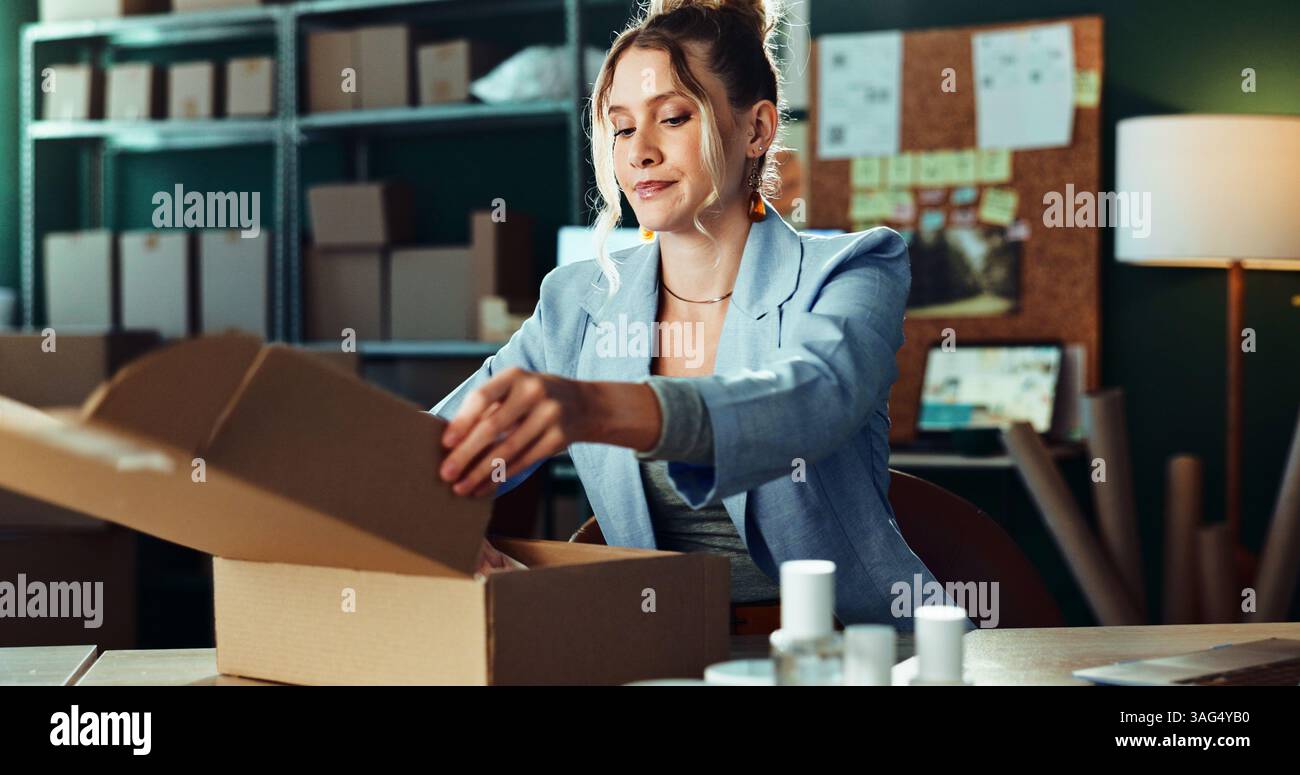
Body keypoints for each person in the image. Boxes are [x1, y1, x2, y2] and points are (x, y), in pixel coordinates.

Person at [431, 0, 943, 629]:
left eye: (672, 117)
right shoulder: (575, 305)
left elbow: (811, 403)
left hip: (852, 654)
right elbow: (428, 454)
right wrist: (437, 532)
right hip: (664, 649)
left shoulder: (853, 268)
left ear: (756, 130)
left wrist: (597, 408)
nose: (639, 152)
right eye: (621, 129)